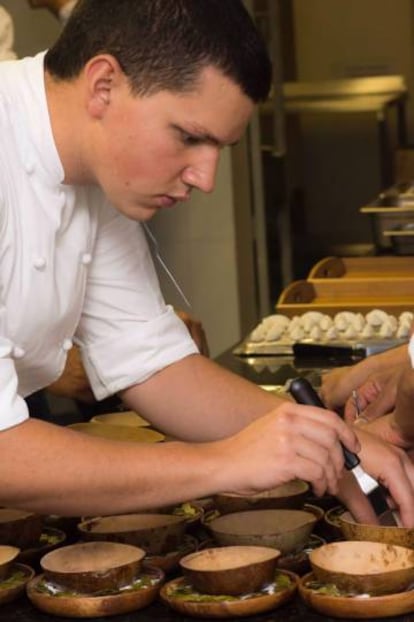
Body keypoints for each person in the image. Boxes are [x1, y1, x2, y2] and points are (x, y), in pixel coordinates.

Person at [0, 0, 413, 525]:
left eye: (219, 147)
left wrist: (339, 444)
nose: (205, 178)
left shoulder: (101, 170)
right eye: (190, 137)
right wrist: (224, 463)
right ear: (103, 85)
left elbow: (152, 364)